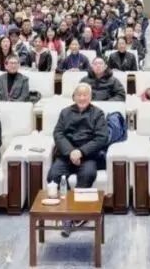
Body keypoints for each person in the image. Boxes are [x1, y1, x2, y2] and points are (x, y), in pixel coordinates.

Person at [48, 84, 110, 237]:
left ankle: (77, 214)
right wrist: (71, 152)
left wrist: (81, 152)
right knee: (53, 175)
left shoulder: (97, 114)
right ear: (74, 97)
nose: (82, 98)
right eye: (79, 95)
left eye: (85, 95)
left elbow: (101, 138)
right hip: (66, 155)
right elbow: (58, 134)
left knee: (88, 174)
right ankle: (67, 212)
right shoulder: (65, 112)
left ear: (90, 97)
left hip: (87, 156)